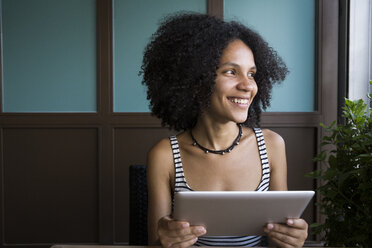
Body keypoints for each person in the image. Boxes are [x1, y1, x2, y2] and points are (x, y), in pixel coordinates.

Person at [140, 12, 308, 248]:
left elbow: (278, 238)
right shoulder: (165, 155)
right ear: (196, 81)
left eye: (252, 74)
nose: (248, 85)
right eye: (231, 71)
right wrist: (165, 240)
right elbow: (156, 243)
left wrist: (290, 240)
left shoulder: (271, 146)